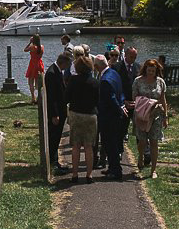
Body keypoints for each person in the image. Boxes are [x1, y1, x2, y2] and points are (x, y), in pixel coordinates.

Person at [132, 58, 168, 179]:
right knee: (142, 141)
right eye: (149, 70)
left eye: (153, 71)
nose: (151, 72)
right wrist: (146, 103)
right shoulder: (138, 81)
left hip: (156, 115)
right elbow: (134, 97)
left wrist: (165, 116)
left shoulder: (160, 82)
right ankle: (141, 156)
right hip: (142, 115)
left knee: (154, 142)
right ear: (145, 69)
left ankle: (153, 169)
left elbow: (163, 99)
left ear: (156, 71)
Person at [65, 54, 98, 183]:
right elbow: (98, 100)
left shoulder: (73, 80)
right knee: (89, 147)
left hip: (76, 114)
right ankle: (89, 175)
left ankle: (74, 174)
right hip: (90, 115)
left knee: (76, 146)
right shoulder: (95, 82)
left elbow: (66, 97)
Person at [95, 54, 128, 180]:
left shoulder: (104, 81)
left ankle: (116, 170)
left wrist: (119, 108)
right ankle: (112, 167)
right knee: (112, 143)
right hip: (115, 115)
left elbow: (111, 98)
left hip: (109, 117)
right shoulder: (114, 73)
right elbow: (121, 92)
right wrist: (122, 105)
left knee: (110, 144)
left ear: (97, 67)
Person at [45, 53, 71, 174]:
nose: (69, 66)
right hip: (56, 113)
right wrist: (55, 114)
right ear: (63, 62)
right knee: (54, 137)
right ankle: (52, 163)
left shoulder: (57, 71)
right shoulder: (51, 73)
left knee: (56, 137)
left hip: (60, 111)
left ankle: (55, 161)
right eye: (68, 63)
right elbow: (52, 97)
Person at [116, 47, 140, 143]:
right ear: (125, 55)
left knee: (139, 129)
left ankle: (143, 152)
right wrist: (123, 101)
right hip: (123, 102)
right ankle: (119, 149)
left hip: (135, 103)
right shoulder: (116, 67)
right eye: (131, 57)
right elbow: (116, 86)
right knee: (121, 129)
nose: (133, 59)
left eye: (135, 57)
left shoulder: (138, 67)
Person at [24, 34, 45, 104]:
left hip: (33, 64)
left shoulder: (32, 47)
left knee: (30, 82)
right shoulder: (42, 47)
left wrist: (30, 42)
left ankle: (33, 97)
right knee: (39, 82)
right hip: (40, 64)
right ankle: (39, 97)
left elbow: (25, 49)